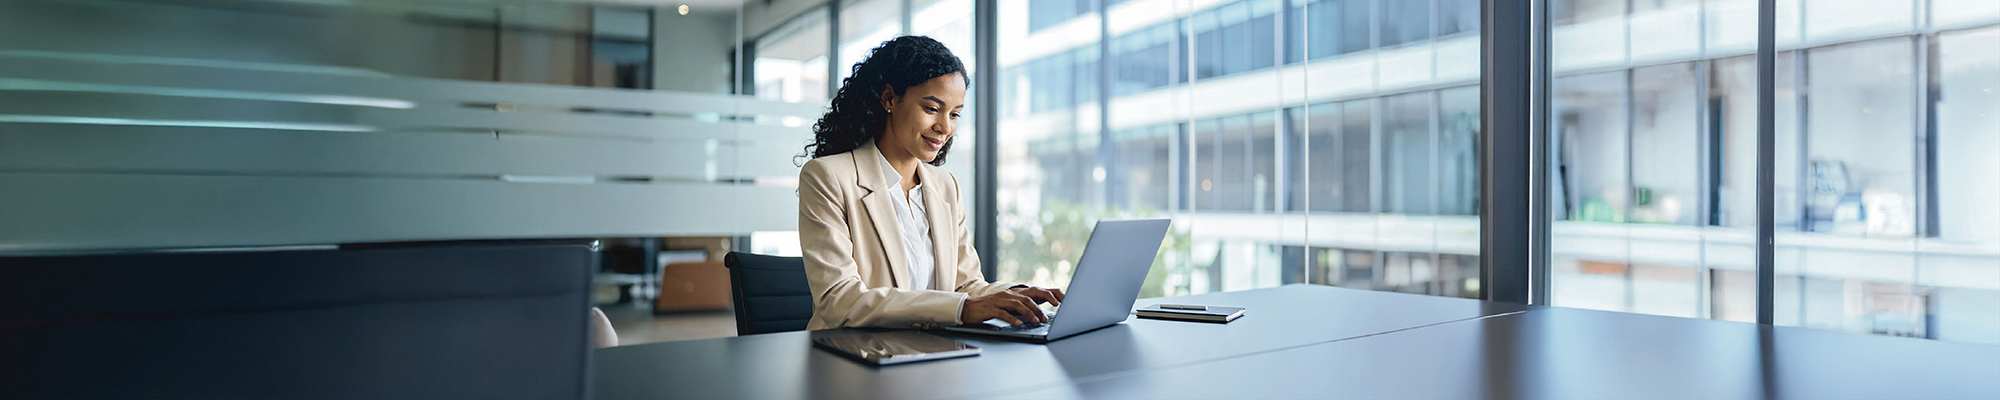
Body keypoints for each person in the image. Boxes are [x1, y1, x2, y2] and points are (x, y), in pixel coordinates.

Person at [796, 36, 1064, 330]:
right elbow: (839, 300)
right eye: (932, 109)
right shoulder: (827, 177)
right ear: (889, 99)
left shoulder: (945, 186)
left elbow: (966, 285)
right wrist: (963, 309)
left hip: (931, 355)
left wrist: (1015, 296)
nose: (945, 127)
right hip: (853, 360)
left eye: (955, 114)